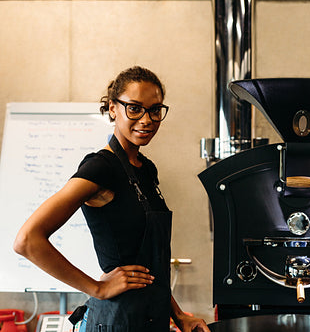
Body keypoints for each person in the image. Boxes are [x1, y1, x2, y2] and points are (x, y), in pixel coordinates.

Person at [14, 66, 210, 332]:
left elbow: (150, 269)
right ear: (112, 108)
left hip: (152, 319)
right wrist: (97, 287)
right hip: (116, 322)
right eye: (134, 108)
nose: (146, 119)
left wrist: (178, 315)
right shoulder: (100, 168)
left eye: (155, 110)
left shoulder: (146, 169)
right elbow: (27, 240)